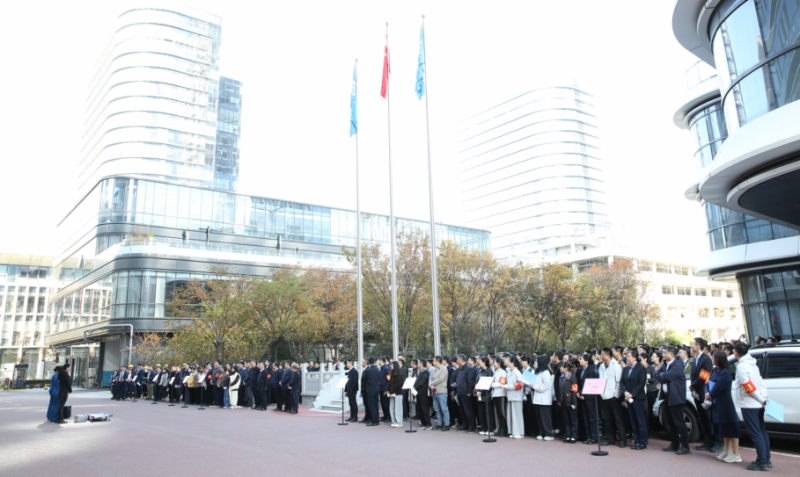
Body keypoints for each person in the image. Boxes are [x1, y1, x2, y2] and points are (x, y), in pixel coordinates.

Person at [733, 342, 771, 471]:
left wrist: (760, 398)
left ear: (736, 352)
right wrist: (763, 397)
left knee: (755, 433)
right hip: (758, 403)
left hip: (749, 404)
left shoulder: (741, 366)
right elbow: (760, 382)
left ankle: (762, 461)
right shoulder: (753, 364)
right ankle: (766, 459)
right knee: (761, 431)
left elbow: (747, 385)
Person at [706, 351, 741, 464]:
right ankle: (727, 451)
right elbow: (708, 382)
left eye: (714, 358)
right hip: (716, 404)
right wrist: (707, 392)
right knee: (724, 430)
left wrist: (710, 394)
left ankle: (736, 454)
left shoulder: (725, 373)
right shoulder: (714, 370)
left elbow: (719, 386)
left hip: (725, 404)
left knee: (732, 429)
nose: (712, 359)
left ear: (719, 359)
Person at [656, 346, 690, 455]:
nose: (663, 355)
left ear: (670, 354)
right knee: (670, 422)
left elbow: (667, 376)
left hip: (676, 397)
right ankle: (675, 443)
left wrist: (663, 375)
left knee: (679, 422)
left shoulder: (677, 365)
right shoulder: (665, 364)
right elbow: (657, 374)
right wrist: (662, 375)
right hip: (667, 397)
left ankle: (685, 446)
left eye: (664, 353)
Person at [690, 338, 721, 453]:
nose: (691, 346)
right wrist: (693, 388)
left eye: (693, 344)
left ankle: (716, 442)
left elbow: (704, 376)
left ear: (698, 346)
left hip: (704, 392)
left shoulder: (706, 359)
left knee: (709, 418)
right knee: (702, 418)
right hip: (697, 393)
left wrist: (693, 386)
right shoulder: (696, 358)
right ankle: (707, 441)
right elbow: (693, 375)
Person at [621, 350, 648, 450]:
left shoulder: (641, 368)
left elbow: (641, 383)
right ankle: (636, 440)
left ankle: (643, 441)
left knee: (640, 420)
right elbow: (622, 382)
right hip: (628, 397)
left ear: (634, 357)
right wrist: (625, 392)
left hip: (638, 398)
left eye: (629, 356)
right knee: (633, 420)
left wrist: (632, 394)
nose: (627, 358)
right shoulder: (626, 369)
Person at [599, 347, 626, 448]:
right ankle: (610, 438)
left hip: (614, 396)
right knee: (607, 419)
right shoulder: (601, 366)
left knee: (618, 419)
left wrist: (616, 394)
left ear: (608, 355)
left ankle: (622, 439)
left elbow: (618, 381)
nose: (601, 356)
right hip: (604, 395)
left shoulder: (616, 366)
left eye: (603, 354)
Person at [577, 353, 598, 444]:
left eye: (582, 359)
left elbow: (590, 384)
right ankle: (588, 436)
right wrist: (579, 392)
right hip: (582, 397)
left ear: (586, 361)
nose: (580, 360)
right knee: (585, 417)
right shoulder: (580, 370)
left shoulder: (591, 371)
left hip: (590, 397)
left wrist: (581, 392)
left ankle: (594, 437)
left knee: (592, 417)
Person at [503, 354, 525, 439]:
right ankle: (512, 431)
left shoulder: (517, 372)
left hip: (516, 396)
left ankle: (519, 432)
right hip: (510, 395)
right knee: (511, 414)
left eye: (509, 361)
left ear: (512, 363)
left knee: (517, 415)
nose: (507, 363)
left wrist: (510, 387)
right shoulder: (509, 372)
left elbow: (520, 384)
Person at [558, 360, 579, 443]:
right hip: (563, 401)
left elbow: (574, 390)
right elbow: (559, 389)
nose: (560, 368)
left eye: (562, 367)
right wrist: (559, 400)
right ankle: (568, 435)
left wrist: (574, 402)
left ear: (566, 368)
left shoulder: (572, 377)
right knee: (566, 419)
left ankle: (574, 436)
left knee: (573, 420)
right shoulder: (561, 377)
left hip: (570, 401)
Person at [455, 354, 477, 433]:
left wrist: (469, 391)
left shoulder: (468, 369)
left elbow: (470, 381)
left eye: (457, 359)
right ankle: (465, 425)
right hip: (460, 392)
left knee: (468, 410)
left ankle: (471, 426)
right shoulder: (459, 369)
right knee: (462, 410)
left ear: (461, 360)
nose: (457, 361)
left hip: (466, 393)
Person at [475, 356, 495, 436]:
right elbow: (477, 381)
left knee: (488, 412)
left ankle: (489, 428)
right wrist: (477, 390)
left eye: (480, 361)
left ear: (484, 362)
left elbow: (488, 383)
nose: (479, 362)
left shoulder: (489, 371)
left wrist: (481, 391)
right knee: (481, 412)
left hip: (487, 395)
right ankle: (483, 428)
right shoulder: (479, 370)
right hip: (479, 394)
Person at [429, 356, 450, 431]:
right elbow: (431, 378)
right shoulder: (435, 369)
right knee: (437, 409)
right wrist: (430, 385)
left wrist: (431, 384)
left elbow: (440, 379)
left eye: (434, 361)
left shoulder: (444, 369)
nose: (433, 362)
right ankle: (439, 423)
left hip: (442, 392)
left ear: (438, 361)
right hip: (435, 392)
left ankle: (446, 424)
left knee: (444, 409)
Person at [490, 356, 508, 437]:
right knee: (498, 413)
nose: (493, 364)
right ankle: (500, 428)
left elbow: (502, 383)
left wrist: (491, 384)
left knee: (502, 412)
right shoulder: (496, 372)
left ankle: (504, 429)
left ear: (499, 363)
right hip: (495, 394)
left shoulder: (503, 372)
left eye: (494, 362)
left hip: (501, 394)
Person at [413, 359, 431, 429]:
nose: (418, 364)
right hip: (418, 393)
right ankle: (423, 423)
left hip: (423, 393)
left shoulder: (426, 372)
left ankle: (428, 423)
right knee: (419, 408)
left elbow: (422, 382)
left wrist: (415, 387)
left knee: (424, 409)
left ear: (422, 364)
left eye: (419, 363)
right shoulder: (420, 372)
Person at [363, 357, 381, 426]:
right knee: (376, 405)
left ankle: (373, 421)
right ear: (374, 362)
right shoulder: (377, 369)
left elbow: (364, 379)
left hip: (370, 389)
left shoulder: (367, 370)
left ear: (368, 362)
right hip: (376, 388)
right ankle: (376, 420)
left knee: (371, 405)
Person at [387, 361, 404, 427]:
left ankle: (399, 422)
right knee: (392, 407)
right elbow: (390, 383)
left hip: (398, 393)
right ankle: (394, 421)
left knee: (398, 408)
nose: (391, 366)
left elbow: (398, 384)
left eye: (392, 365)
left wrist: (391, 390)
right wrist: (388, 390)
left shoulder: (399, 374)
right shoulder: (392, 374)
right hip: (392, 393)